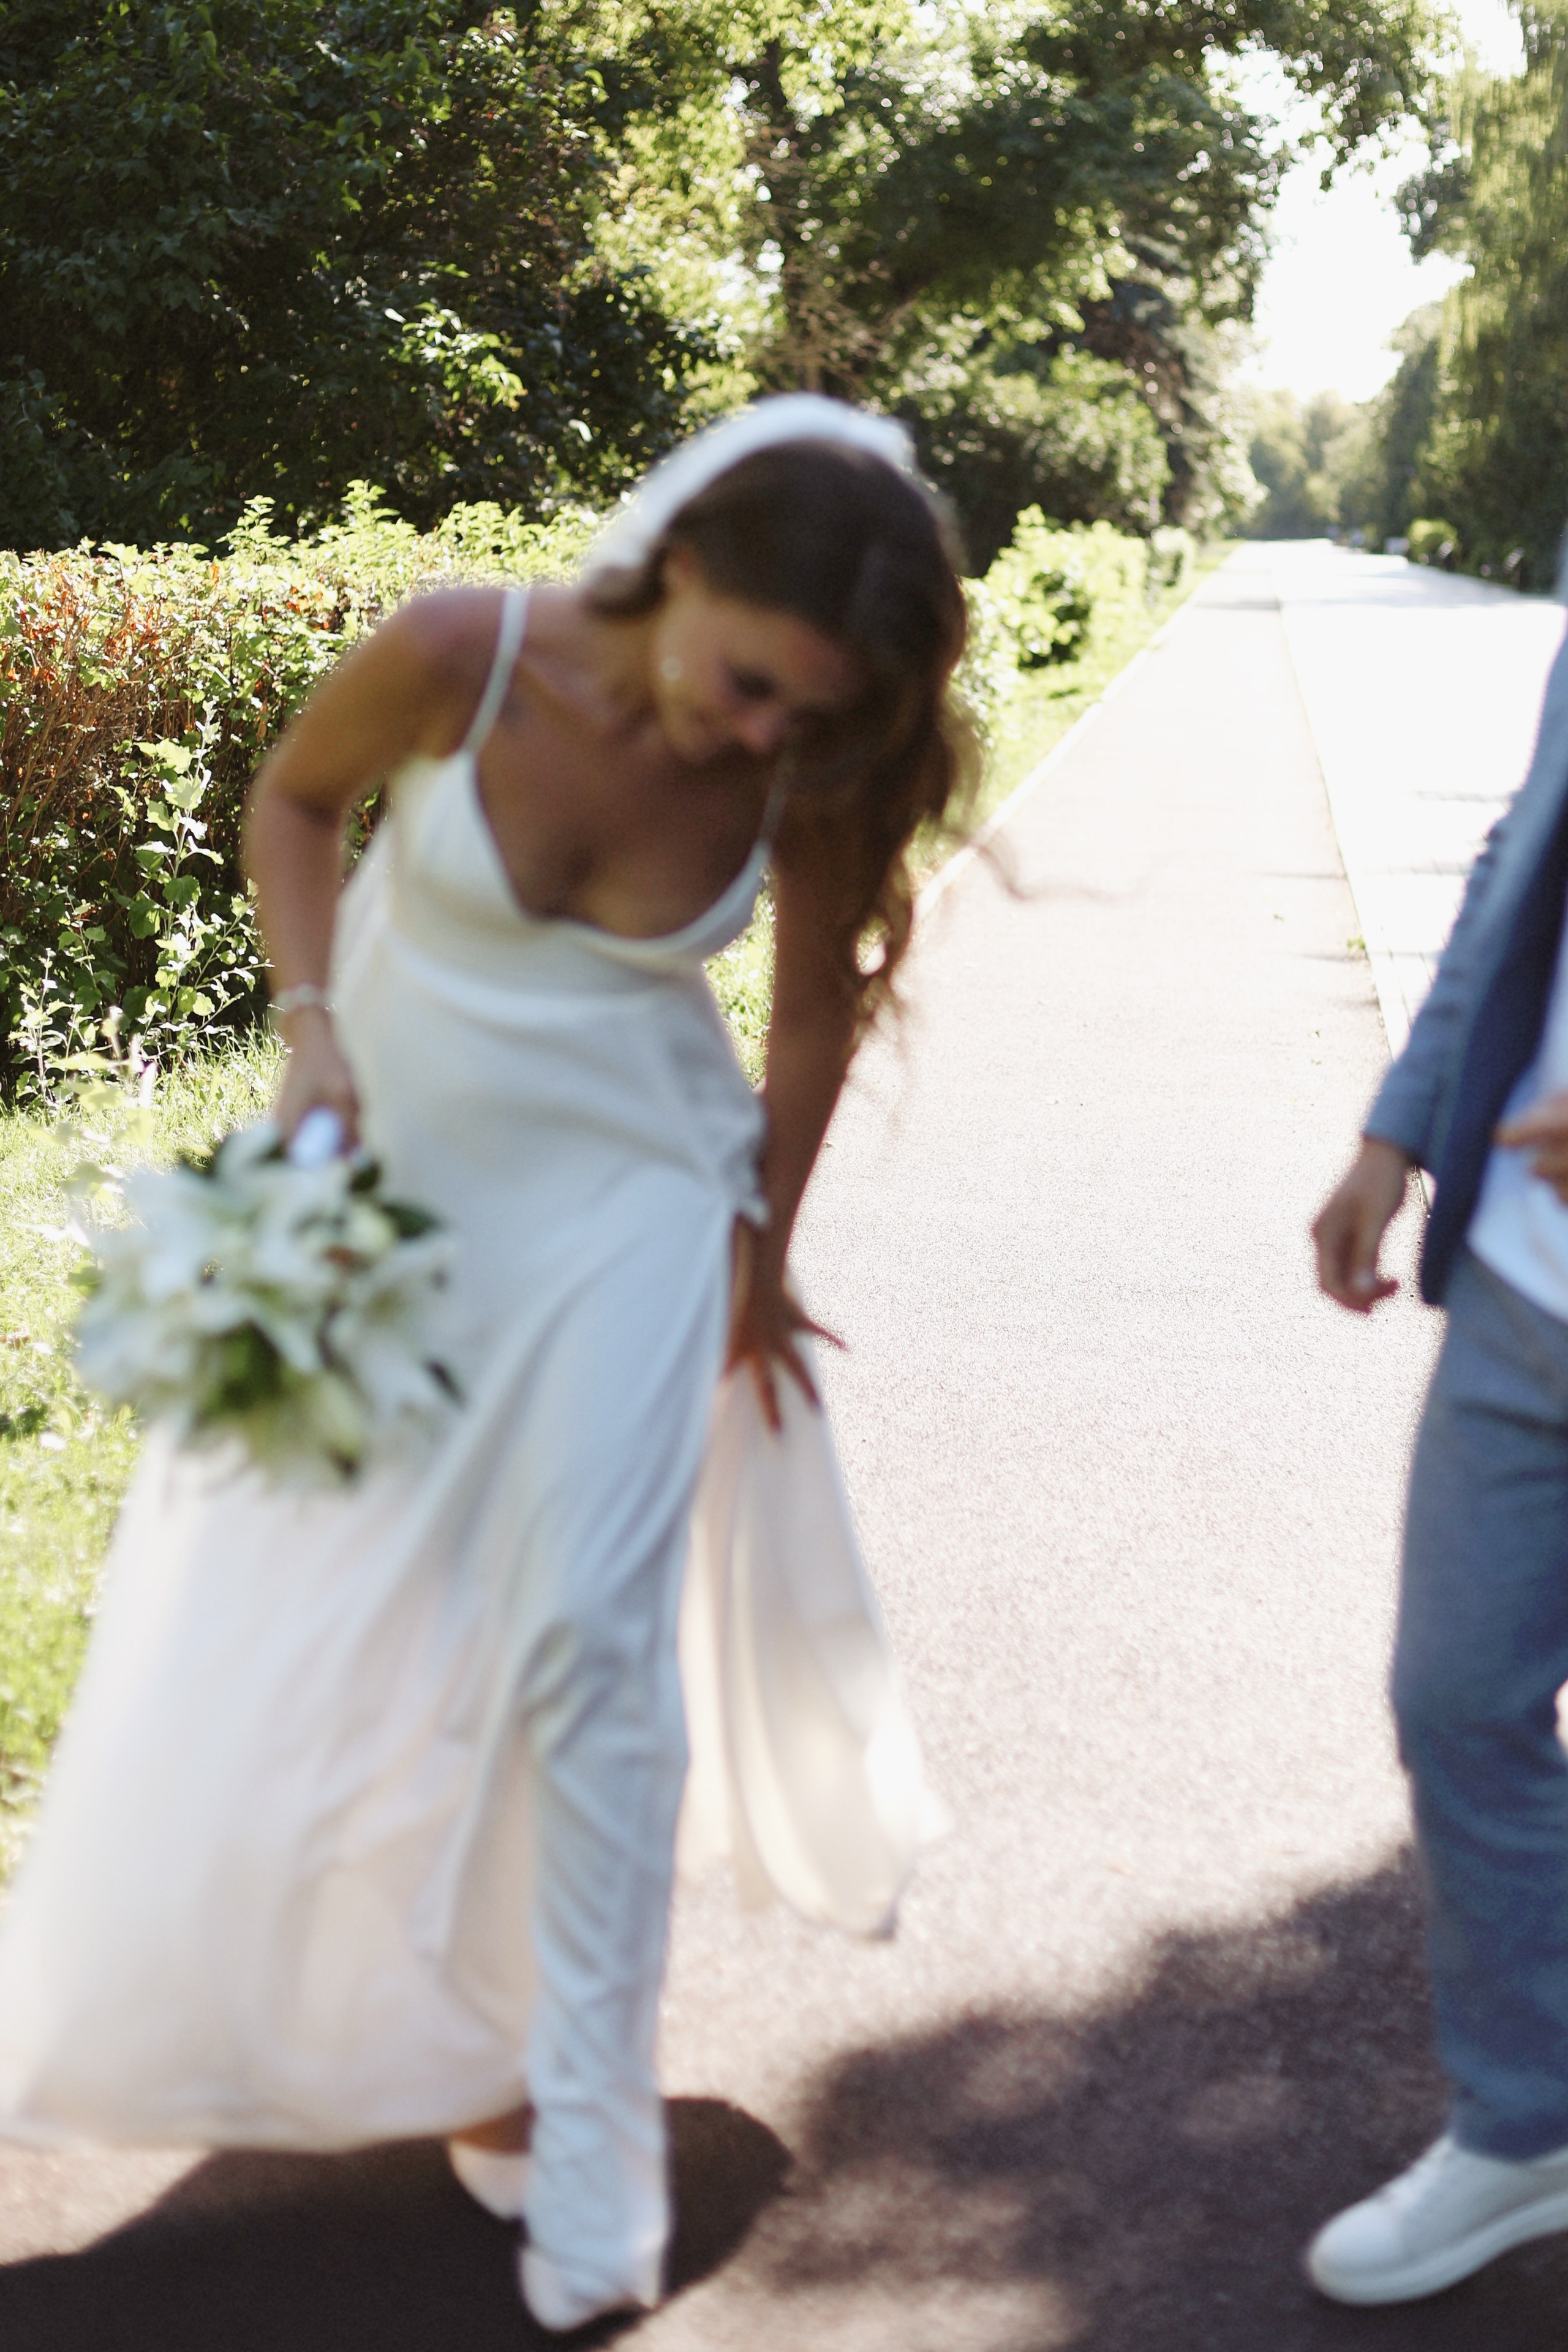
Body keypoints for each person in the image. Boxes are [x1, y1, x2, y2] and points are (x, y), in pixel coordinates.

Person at [0, 397, 969, 2332]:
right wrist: (309, 1027)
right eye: (755, 683)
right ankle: (440, 2044)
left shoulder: (810, 760)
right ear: (680, 568)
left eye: (812, 714)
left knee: (589, 1650)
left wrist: (758, 1254)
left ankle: (590, 2136)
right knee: (348, 1623)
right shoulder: (463, 648)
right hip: (399, 1188)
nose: (767, 735)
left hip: (630, 1198)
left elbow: (801, 1030)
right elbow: (294, 801)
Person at [1309, 617, 1568, 2304]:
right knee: (1457, 1700)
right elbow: (1528, 843)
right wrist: (1398, 1128)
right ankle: (1529, 2122)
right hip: (1526, 1284)